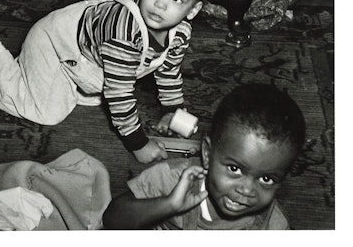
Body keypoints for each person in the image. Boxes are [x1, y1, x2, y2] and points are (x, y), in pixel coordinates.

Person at [0, 0, 218, 164]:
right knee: (49, 112)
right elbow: (119, 94)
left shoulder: (181, 32)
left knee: (102, 84)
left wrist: (173, 110)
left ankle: (70, 82)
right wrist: (138, 143)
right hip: (52, 42)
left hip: (86, 50)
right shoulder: (123, 34)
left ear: (193, 10)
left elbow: (169, 72)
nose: (160, 2)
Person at [101, 83, 306, 230]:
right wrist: (169, 204)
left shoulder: (273, 225)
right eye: (234, 169)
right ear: (207, 154)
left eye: (266, 179)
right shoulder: (173, 179)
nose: (246, 190)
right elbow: (112, 220)